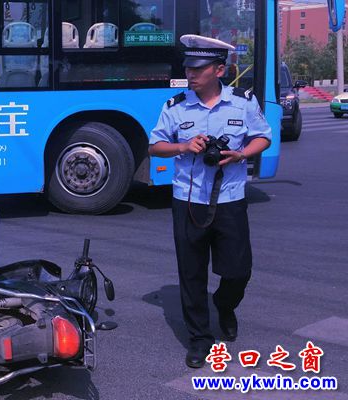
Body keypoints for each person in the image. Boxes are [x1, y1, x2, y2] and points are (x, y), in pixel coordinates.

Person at [148, 34, 271, 369]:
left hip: (230, 199)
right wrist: (183, 147)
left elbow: (263, 136)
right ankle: (200, 338)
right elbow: (155, 146)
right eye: (188, 67)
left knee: (238, 271)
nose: (190, 73)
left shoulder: (243, 102)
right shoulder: (175, 106)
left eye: (198, 68)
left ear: (219, 70)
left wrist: (241, 154)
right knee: (191, 273)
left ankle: (225, 305)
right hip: (188, 199)